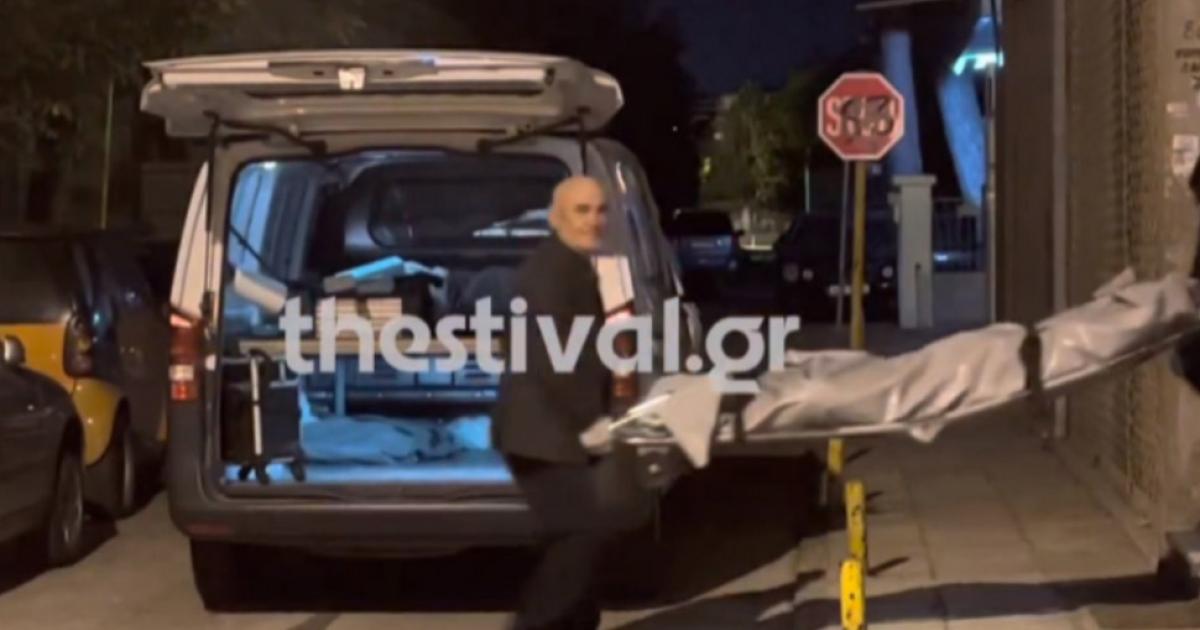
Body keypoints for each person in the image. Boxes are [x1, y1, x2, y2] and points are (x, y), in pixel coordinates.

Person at [492, 176, 653, 630]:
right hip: (541, 433)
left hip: (554, 430)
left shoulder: (575, 266)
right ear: (556, 217)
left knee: (575, 536)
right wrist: (591, 422)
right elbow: (554, 360)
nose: (594, 220)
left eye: (600, 210)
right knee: (581, 535)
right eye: (582, 210)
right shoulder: (552, 273)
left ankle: (576, 622)